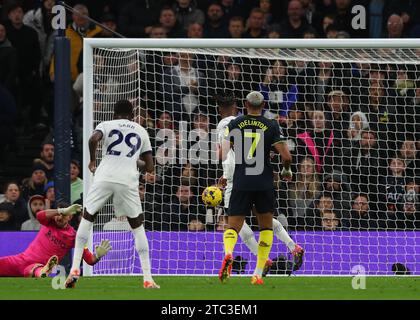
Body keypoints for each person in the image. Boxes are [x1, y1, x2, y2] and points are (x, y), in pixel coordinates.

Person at [66, 100, 159, 289]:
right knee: (137, 227)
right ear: (132, 115)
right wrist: (134, 161)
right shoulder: (141, 130)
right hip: (127, 181)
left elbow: (93, 139)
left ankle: (75, 268)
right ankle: (148, 278)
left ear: (114, 113)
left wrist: (93, 160)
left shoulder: (106, 125)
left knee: (87, 219)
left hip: (104, 177)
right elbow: (149, 167)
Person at [215, 92, 304, 278]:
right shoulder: (270, 124)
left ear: (246, 104)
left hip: (238, 180)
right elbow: (286, 156)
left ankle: (237, 255)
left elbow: (223, 155)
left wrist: (225, 175)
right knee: (265, 223)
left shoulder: (231, 125)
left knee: (234, 224)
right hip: (263, 181)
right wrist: (286, 170)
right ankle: (281, 254)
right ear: (263, 104)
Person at [0, 203, 111, 277]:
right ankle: (42, 272)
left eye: (64, 215)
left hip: (38, 265)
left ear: (70, 217)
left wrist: (98, 255)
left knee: (35, 271)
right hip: (20, 259)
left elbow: (90, 260)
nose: (59, 217)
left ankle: (44, 272)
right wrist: (61, 210)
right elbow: (39, 215)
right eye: (58, 214)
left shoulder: (74, 236)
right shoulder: (48, 222)